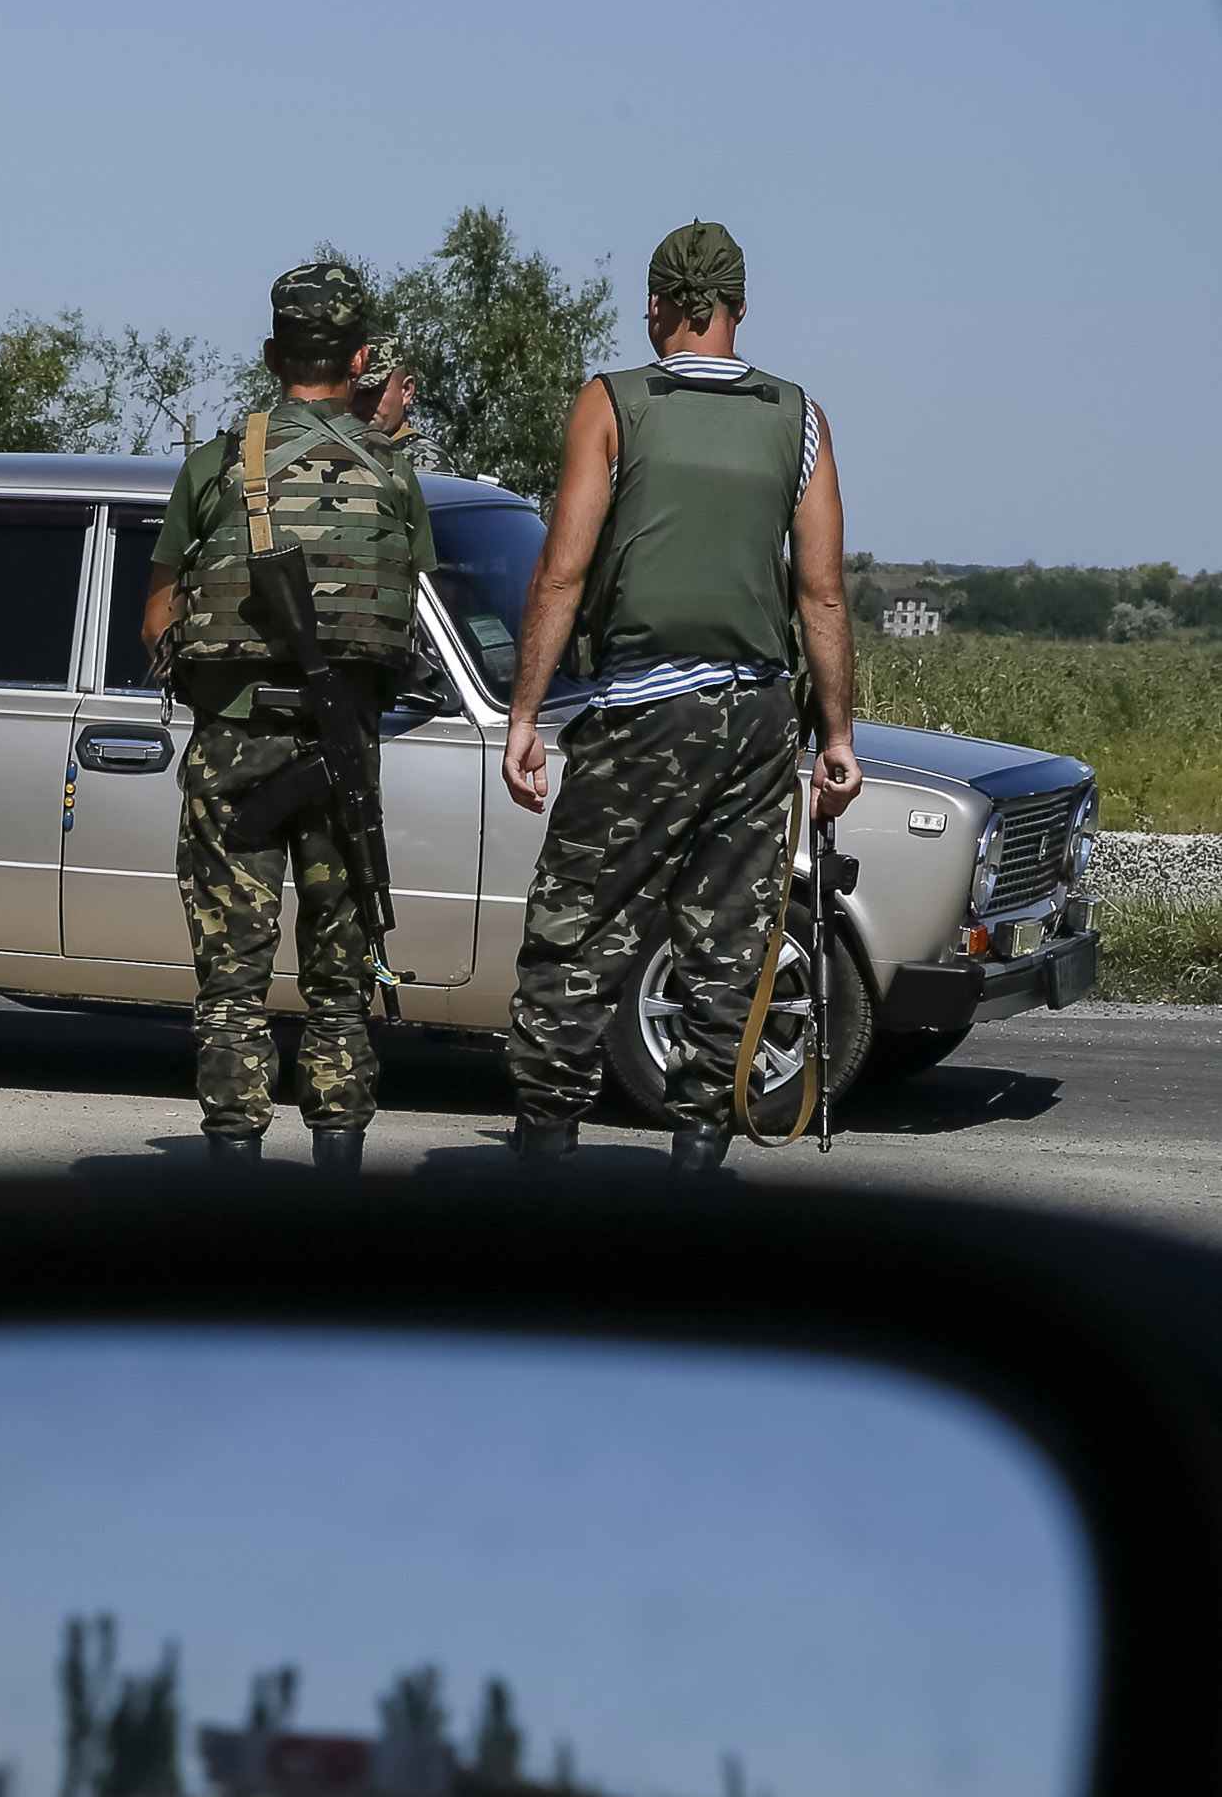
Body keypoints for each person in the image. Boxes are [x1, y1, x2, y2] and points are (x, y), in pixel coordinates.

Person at [499, 220, 862, 1170]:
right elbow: (820, 591)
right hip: (756, 716)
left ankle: (544, 1154)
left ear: (662, 305)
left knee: (575, 932)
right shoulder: (801, 416)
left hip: (644, 710)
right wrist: (837, 737)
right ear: (737, 309)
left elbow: (562, 571)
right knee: (728, 940)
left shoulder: (613, 402)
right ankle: (697, 1160)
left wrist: (526, 715)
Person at [142, 263, 434, 1175]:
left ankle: (234, 1179)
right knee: (340, 986)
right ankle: (336, 1183)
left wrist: (198, 672)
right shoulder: (393, 474)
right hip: (343, 748)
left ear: (272, 355)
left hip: (234, 745)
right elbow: (404, 612)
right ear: (359, 359)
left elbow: (157, 617)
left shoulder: (218, 465)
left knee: (232, 984)